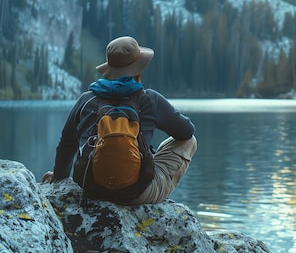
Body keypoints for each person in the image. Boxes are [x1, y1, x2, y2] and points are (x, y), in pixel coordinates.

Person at [42, 36, 197, 205]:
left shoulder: (86, 99)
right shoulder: (149, 99)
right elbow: (187, 131)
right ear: (138, 68)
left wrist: (59, 179)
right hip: (137, 193)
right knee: (190, 142)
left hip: (91, 191)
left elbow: (67, 144)